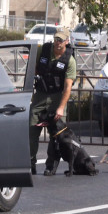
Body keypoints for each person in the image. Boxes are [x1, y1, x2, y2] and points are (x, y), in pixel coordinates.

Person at [29, 30, 77, 175]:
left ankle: (51, 166)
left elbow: (68, 87)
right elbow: (32, 68)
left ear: (66, 42)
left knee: (57, 137)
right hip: (40, 96)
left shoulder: (70, 60)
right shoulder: (43, 50)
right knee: (31, 130)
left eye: (61, 40)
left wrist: (61, 108)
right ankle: (30, 163)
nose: (58, 42)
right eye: (56, 39)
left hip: (57, 98)